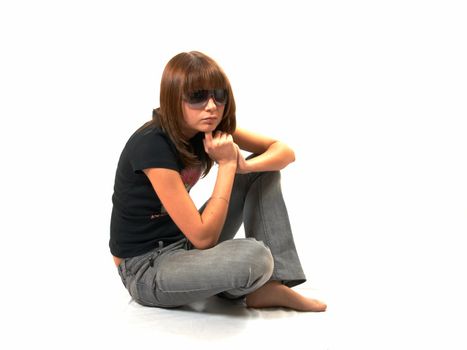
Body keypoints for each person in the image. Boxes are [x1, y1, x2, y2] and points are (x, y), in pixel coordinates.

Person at [110, 51, 326, 312]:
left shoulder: (207, 128)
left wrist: (244, 165)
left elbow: (284, 152)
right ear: (173, 98)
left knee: (263, 168)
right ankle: (239, 279)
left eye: (218, 95)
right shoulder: (151, 145)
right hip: (146, 268)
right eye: (197, 96)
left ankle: (270, 285)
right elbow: (204, 238)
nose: (211, 106)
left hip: (183, 243)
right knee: (255, 257)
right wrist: (227, 164)